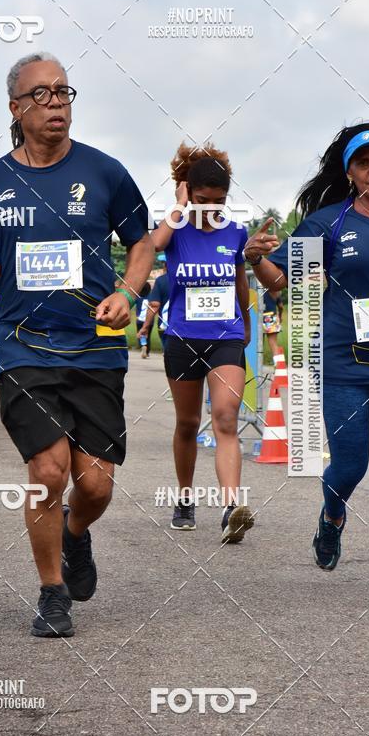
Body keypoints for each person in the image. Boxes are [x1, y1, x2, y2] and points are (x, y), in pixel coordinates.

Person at [0, 52, 153, 637]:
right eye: (41, 95)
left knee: (93, 485)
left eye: (64, 92)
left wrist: (128, 289)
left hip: (95, 347)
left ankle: (74, 533)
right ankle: (51, 592)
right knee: (48, 471)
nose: (57, 104)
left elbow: (141, 242)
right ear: (16, 108)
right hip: (23, 345)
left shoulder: (106, 173)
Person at [245, 122, 369, 609]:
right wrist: (255, 260)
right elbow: (281, 280)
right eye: (364, 163)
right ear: (350, 172)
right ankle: (332, 517)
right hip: (343, 365)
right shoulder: (328, 224)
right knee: (350, 466)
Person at [151, 143, 254, 542]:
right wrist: (179, 208)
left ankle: (231, 508)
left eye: (220, 201)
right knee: (188, 423)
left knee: (226, 418)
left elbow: (241, 282)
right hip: (181, 338)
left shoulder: (236, 231)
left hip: (225, 337)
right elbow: (154, 245)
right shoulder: (175, 230)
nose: (211, 208)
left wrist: (244, 325)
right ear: (187, 192)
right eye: (201, 200)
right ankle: (185, 497)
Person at [138, 255, 170, 352]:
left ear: (166, 265)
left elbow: (154, 305)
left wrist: (145, 327)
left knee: (170, 354)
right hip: (186, 326)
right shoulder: (191, 279)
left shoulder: (161, 280)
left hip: (165, 326)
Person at [262, 288, 284, 359]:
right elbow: (280, 306)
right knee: (273, 343)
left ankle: (256, 367)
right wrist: (280, 316)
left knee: (258, 344)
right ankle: (279, 366)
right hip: (272, 316)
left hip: (259, 316)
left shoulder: (257, 288)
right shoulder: (274, 289)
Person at [135, 282, 151, 357]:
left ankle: (143, 345)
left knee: (141, 334)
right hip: (149, 320)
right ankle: (147, 352)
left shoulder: (138, 298)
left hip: (140, 319)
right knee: (148, 335)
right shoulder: (151, 298)